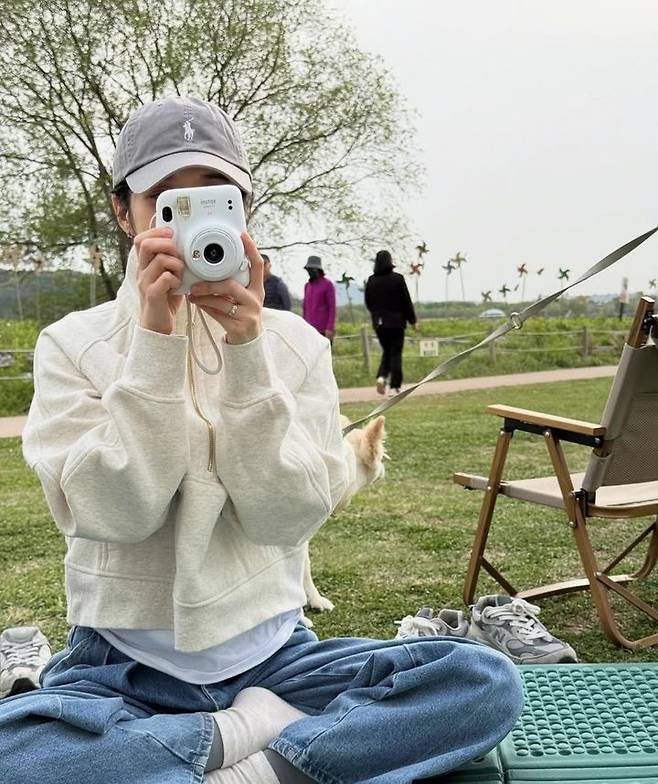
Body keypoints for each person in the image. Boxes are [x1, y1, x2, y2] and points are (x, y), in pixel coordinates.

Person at [0, 96, 523, 784]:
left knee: (482, 681)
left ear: (243, 212)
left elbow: (287, 515)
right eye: (163, 200)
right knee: (14, 752)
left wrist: (249, 351)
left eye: (212, 198)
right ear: (125, 211)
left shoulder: (293, 345)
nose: (187, 225)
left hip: (278, 660)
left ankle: (226, 765)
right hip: (118, 666)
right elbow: (114, 512)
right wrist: (154, 345)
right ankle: (249, 738)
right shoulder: (73, 344)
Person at [365, 249, 419, 396]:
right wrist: (413, 320)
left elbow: (368, 302)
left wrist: (377, 316)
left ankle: (381, 377)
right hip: (396, 322)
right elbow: (406, 302)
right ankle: (395, 387)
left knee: (387, 352)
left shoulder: (371, 280)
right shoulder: (397, 279)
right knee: (395, 353)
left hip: (379, 323)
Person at [302, 256, 336, 342]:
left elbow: (332, 308)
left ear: (318, 270)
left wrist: (330, 328)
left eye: (312, 269)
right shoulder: (307, 286)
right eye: (308, 270)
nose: (310, 272)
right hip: (309, 330)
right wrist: (303, 326)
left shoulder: (328, 284)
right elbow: (305, 309)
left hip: (323, 330)